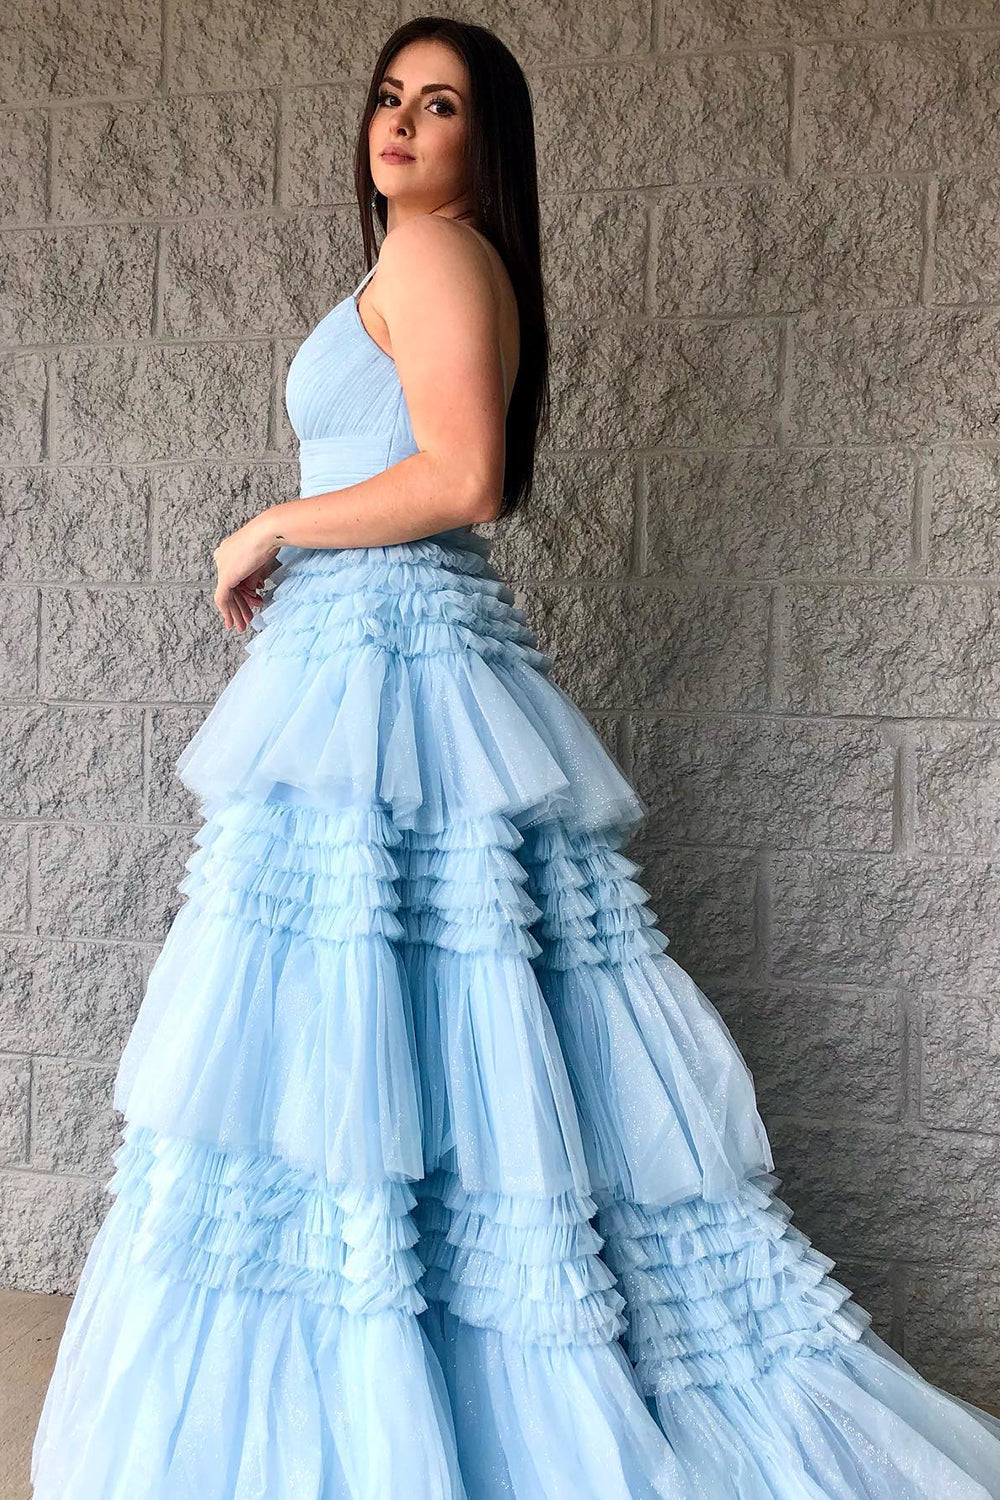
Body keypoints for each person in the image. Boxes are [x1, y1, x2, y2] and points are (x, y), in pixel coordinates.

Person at [30, 15, 1000, 1500]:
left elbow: (465, 477)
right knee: (395, 1021)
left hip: (396, 672)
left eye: (443, 105)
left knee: (372, 1021)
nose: (402, 125)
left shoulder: (436, 254)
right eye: (389, 98)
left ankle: (404, 1401)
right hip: (370, 665)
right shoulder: (408, 261)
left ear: (491, 143)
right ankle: (412, 1384)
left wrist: (272, 523)